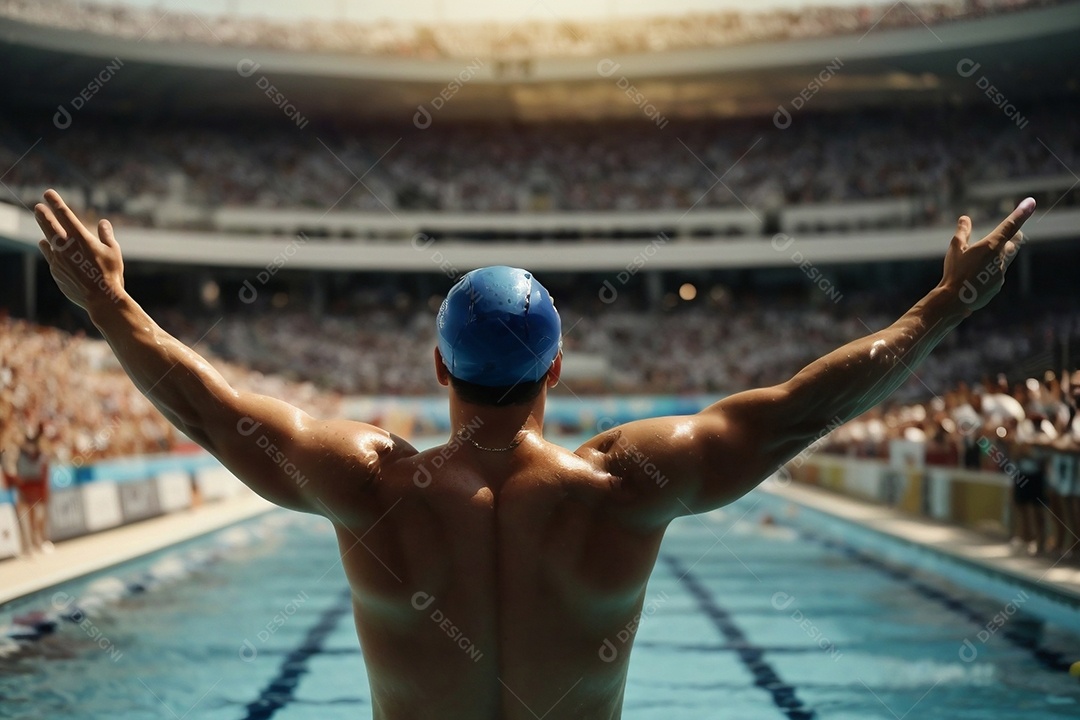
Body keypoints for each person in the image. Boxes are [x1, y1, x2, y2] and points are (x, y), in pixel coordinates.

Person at [34, 188, 1033, 719]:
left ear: (438, 365)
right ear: (557, 370)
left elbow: (211, 411)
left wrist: (112, 304)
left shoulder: (372, 484)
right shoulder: (622, 484)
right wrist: (943, 308)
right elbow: (790, 412)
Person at [4, 424, 52, 556]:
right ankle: (27, 546)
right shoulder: (13, 450)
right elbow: (10, 468)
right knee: (24, 518)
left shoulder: (35, 449)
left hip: (33, 485)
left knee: (36, 516)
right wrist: (16, 478)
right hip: (20, 487)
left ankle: (37, 542)